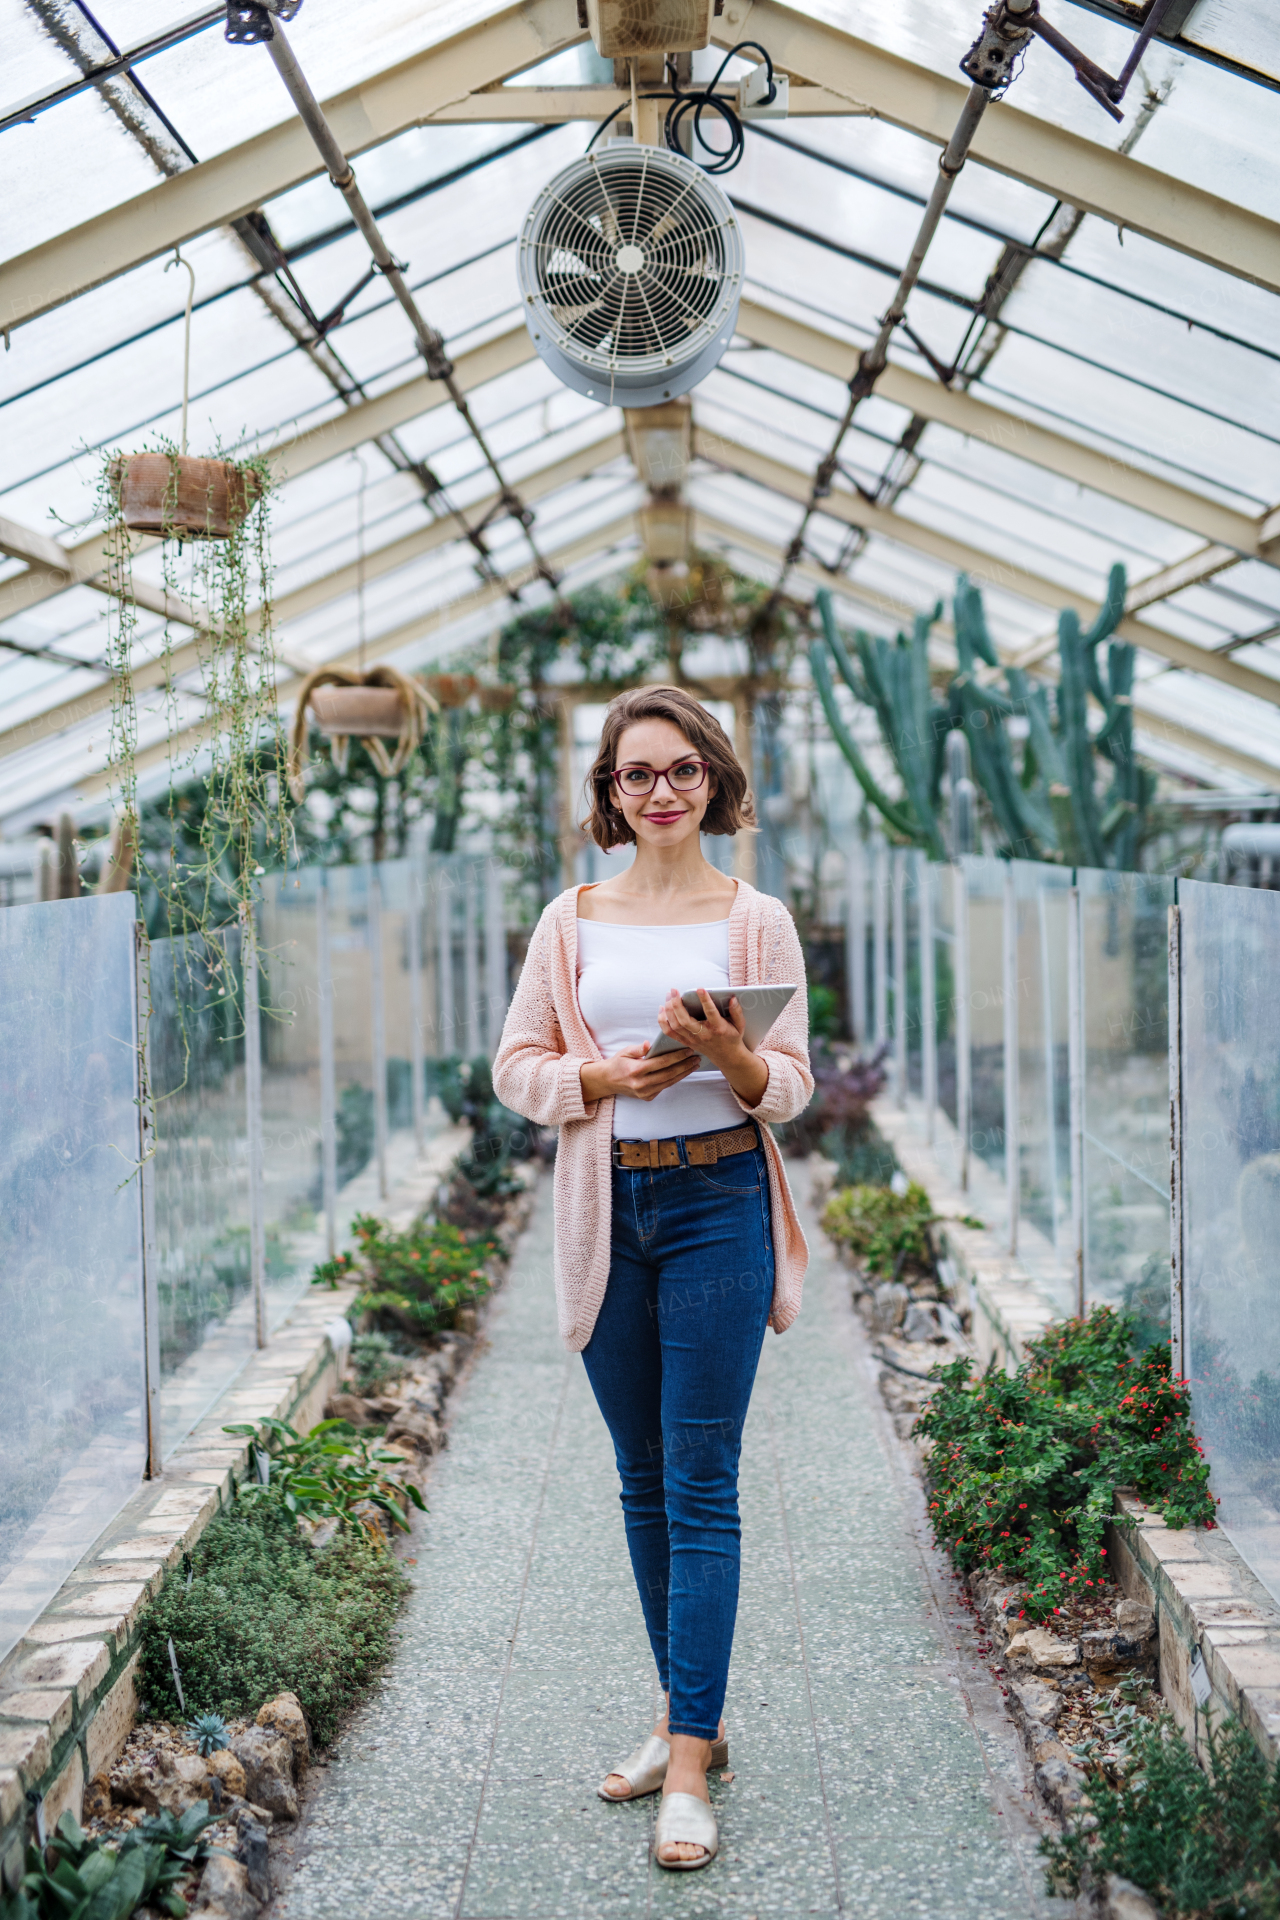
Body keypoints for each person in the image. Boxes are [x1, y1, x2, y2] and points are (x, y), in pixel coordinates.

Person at [493, 684, 812, 1872]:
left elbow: (790, 1085)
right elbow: (515, 1063)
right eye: (636, 775)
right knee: (639, 1480)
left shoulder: (753, 918)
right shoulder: (569, 919)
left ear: (712, 781)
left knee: (700, 1482)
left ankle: (686, 1761)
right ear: (609, 796)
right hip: (606, 1204)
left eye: (680, 770)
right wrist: (596, 1085)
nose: (660, 791)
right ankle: (697, 1720)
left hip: (717, 1200)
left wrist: (733, 1058)